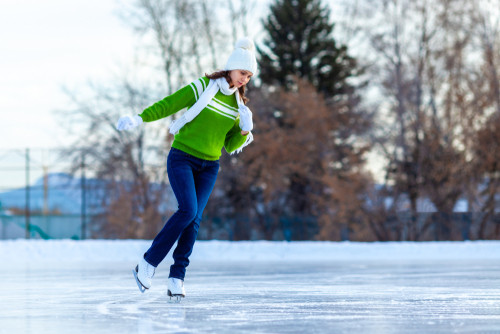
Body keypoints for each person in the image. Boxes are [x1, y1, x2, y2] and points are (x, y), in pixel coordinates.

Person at [116, 37, 258, 300]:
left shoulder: (239, 106)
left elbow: (230, 144)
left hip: (210, 166)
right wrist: (139, 118)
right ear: (230, 67)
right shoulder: (203, 87)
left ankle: (176, 278)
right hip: (182, 157)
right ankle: (147, 264)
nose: (244, 80)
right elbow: (170, 103)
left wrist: (245, 129)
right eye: (242, 73)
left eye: (249, 76)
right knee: (187, 210)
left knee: (194, 221)